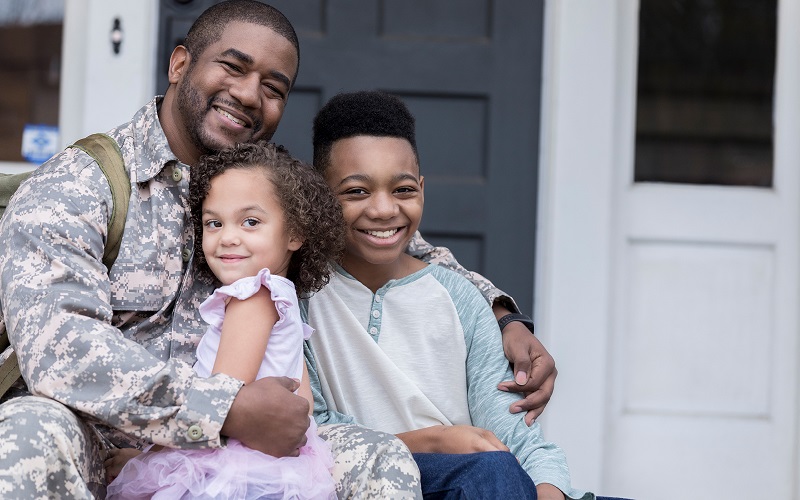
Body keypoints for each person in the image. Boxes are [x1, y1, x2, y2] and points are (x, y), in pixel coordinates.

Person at [0, 1, 553, 497]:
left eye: (273, 87)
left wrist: (503, 314)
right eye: (234, 68)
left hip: (244, 448)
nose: (249, 95)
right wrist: (224, 411)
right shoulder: (81, 184)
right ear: (179, 65)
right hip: (101, 446)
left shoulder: (267, 184)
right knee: (29, 430)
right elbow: (61, 351)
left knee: (382, 462)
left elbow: (385, 234)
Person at [303, 90, 592, 500]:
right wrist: (438, 440)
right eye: (356, 192)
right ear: (320, 196)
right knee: (486, 472)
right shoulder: (298, 297)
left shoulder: (461, 298)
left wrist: (550, 491)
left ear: (422, 188)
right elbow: (313, 431)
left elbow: (521, 440)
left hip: (485, 484)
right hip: (381, 482)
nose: (384, 210)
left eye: (403, 190)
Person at [105, 142, 341, 498]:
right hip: (282, 471)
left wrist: (141, 458)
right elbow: (300, 404)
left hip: (229, 465)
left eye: (250, 222)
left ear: (295, 234)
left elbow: (222, 400)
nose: (228, 237)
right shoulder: (283, 298)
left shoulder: (251, 297)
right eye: (214, 223)